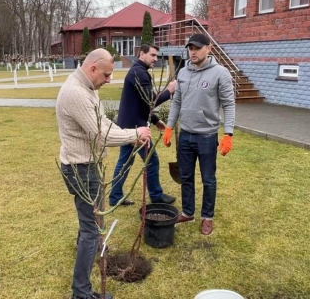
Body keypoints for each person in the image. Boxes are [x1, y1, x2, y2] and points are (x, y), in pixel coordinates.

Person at [56, 48, 152, 299]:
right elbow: (102, 135)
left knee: (89, 223)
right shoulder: (76, 93)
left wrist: (129, 135)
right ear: (92, 69)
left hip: (84, 166)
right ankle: (81, 293)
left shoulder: (86, 88)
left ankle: (83, 244)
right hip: (81, 168)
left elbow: (103, 123)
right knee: (93, 228)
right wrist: (135, 135)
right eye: (107, 74)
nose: (110, 80)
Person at [163, 33, 235, 236]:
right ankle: (188, 212)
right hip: (185, 134)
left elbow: (229, 104)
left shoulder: (221, 73)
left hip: (206, 136)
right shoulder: (183, 72)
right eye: (190, 48)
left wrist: (228, 133)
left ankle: (207, 217)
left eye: (197, 48)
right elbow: (177, 101)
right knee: (186, 177)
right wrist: (169, 126)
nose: (193, 52)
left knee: (208, 179)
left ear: (208, 48)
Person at [109, 44, 177, 207]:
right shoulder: (139, 73)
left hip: (130, 124)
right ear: (141, 54)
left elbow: (141, 104)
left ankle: (115, 196)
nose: (155, 59)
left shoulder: (138, 71)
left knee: (125, 162)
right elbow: (151, 100)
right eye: (152, 55)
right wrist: (169, 91)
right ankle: (156, 196)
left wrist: (155, 120)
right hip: (134, 129)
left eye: (156, 56)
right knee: (151, 161)